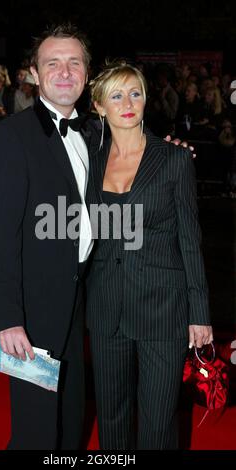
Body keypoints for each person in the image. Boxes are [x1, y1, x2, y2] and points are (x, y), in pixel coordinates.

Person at [86, 61, 213, 450]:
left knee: (158, 420)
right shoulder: (86, 159)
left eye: (136, 93)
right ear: (99, 106)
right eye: (117, 95)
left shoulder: (173, 158)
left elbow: (190, 240)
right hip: (107, 305)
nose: (128, 102)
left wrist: (200, 314)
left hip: (163, 307)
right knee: (111, 415)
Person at [0, 23, 93, 450]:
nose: (64, 72)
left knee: (70, 422)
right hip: (32, 309)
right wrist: (6, 317)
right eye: (53, 63)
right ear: (34, 73)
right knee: (36, 431)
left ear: (86, 73)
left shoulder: (96, 133)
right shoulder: (14, 135)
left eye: (74, 62)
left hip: (79, 304)